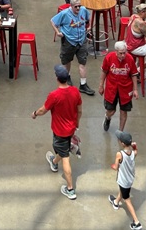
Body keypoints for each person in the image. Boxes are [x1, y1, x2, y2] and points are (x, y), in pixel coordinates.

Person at [32, 65, 83, 200]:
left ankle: (70, 189)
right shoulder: (75, 92)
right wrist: (76, 124)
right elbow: (79, 111)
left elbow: (43, 110)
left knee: (65, 157)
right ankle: (54, 161)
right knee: (63, 149)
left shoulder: (54, 95)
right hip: (71, 129)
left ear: (57, 78)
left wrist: (35, 114)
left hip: (60, 131)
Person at [51, 0, 95, 95]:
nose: (78, 8)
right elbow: (53, 21)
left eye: (79, 6)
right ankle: (67, 77)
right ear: (71, 6)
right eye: (76, 7)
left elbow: (89, 17)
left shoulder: (83, 10)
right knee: (67, 61)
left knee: (82, 62)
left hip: (81, 40)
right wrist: (58, 32)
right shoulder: (64, 14)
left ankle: (83, 84)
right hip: (69, 41)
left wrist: (89, 26)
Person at [99, 40, 138, 133]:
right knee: (111, 111)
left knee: (123, 111)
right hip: (111, 88)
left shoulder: (130, 59)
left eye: (124, 53)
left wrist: (135, 89)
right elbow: (104, 71)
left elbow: (133, 74)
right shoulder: (109, 57)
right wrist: (101, 85)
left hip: (125, 89)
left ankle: (120, 131)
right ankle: (107, 117)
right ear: (116, 51)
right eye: (120, 53)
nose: (123, 55)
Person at [108, 129, 142, 230]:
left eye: (119, 139)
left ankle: (136, 222)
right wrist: (135, 147)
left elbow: (116, 167)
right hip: (130, 179)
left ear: (122, 143)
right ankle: (116, 202)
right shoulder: (133, 153)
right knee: (123, 191)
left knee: (127, 200)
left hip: (124, 181)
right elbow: (136, 151)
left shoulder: (120, 154)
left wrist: (112, 166)